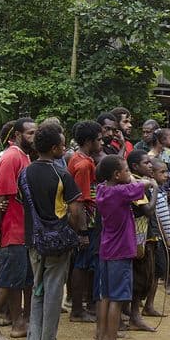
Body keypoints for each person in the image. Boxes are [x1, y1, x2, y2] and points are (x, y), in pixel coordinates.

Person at [21, 121, 84, 340]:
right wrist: (74, 231)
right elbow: (76, 210)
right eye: (63, 146)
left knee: (37, 289)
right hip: (57, 241)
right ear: (56, 149)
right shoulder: (61, 174)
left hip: (34, 241)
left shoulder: (24, 173)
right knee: (54, 290)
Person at [94, 154, 156, 340]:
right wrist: (147, 182)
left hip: (106, 249)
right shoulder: (122, 192)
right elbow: (145, 184)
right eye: (126, 170)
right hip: (120, 251)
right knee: (118, 299)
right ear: (117, 174)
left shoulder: (103, 189)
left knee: (105, 296)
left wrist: (128, 177)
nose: (130, 174)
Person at [0, 117, 36, 340]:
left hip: (22, 229)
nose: (34, 137)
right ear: (17, 135)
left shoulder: (24, 156)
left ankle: (18, 323)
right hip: (11, 230)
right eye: (30, 133)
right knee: (6, 280)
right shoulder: (12, 156)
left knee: (19, 280)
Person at [67, 120, 102, 325]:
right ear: (89, 141)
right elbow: (79, 199)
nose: (101, 143)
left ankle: (82, 306)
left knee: (84, 263)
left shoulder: (78, 158)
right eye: (98, 139)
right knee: (81, 264)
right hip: (86, 220)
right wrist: (81, 231)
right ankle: (78, 309)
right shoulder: (83, 164)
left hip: (86, 217)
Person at [125, 150, 159, 332]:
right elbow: (147, 210)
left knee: (144, 275)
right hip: (138, 236)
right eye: (146, 163)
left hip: (145, 234)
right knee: (139, 275)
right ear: (135, 166)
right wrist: (156, 189)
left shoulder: (139, 181)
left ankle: (132, 314)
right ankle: (134, 316)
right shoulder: (137, 183)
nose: (150, 166)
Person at [147, 157, 170, 313]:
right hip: (158, 237)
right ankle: (148, 305)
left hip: (164, 235)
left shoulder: (162, 190)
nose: (166, 175)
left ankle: (149, 304)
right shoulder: (153, 191)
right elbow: (157, 218)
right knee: (154, 272)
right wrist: (166, 236)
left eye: (167, 171)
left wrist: (169, 234)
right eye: (162, 172)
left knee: (158, 272)